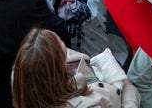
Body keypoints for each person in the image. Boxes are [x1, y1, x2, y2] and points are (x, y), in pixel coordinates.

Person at [10, 26, 143, 108]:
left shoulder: (25, 78)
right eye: (63, 51)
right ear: (60, 67)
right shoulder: (85, 105)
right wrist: (128, 88)